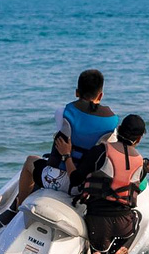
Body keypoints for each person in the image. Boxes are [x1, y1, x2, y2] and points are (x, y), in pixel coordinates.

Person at [12, 69, 119, 210]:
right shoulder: (112, 123)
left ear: (77, 92)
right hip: (83, 186)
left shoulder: (62, 112)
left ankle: (19, 205)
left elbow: (61, 135)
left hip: (54, 179)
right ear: (100, 95)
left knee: (30, 161)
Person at [70, 114, 149, 254]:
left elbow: (76, 178)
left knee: (99, 239)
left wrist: (65, 156)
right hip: (123, 223)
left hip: (95, 220)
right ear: (139, 139)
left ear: (118, 130)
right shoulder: (141, 163)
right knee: (138, 216)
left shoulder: (100, 151)